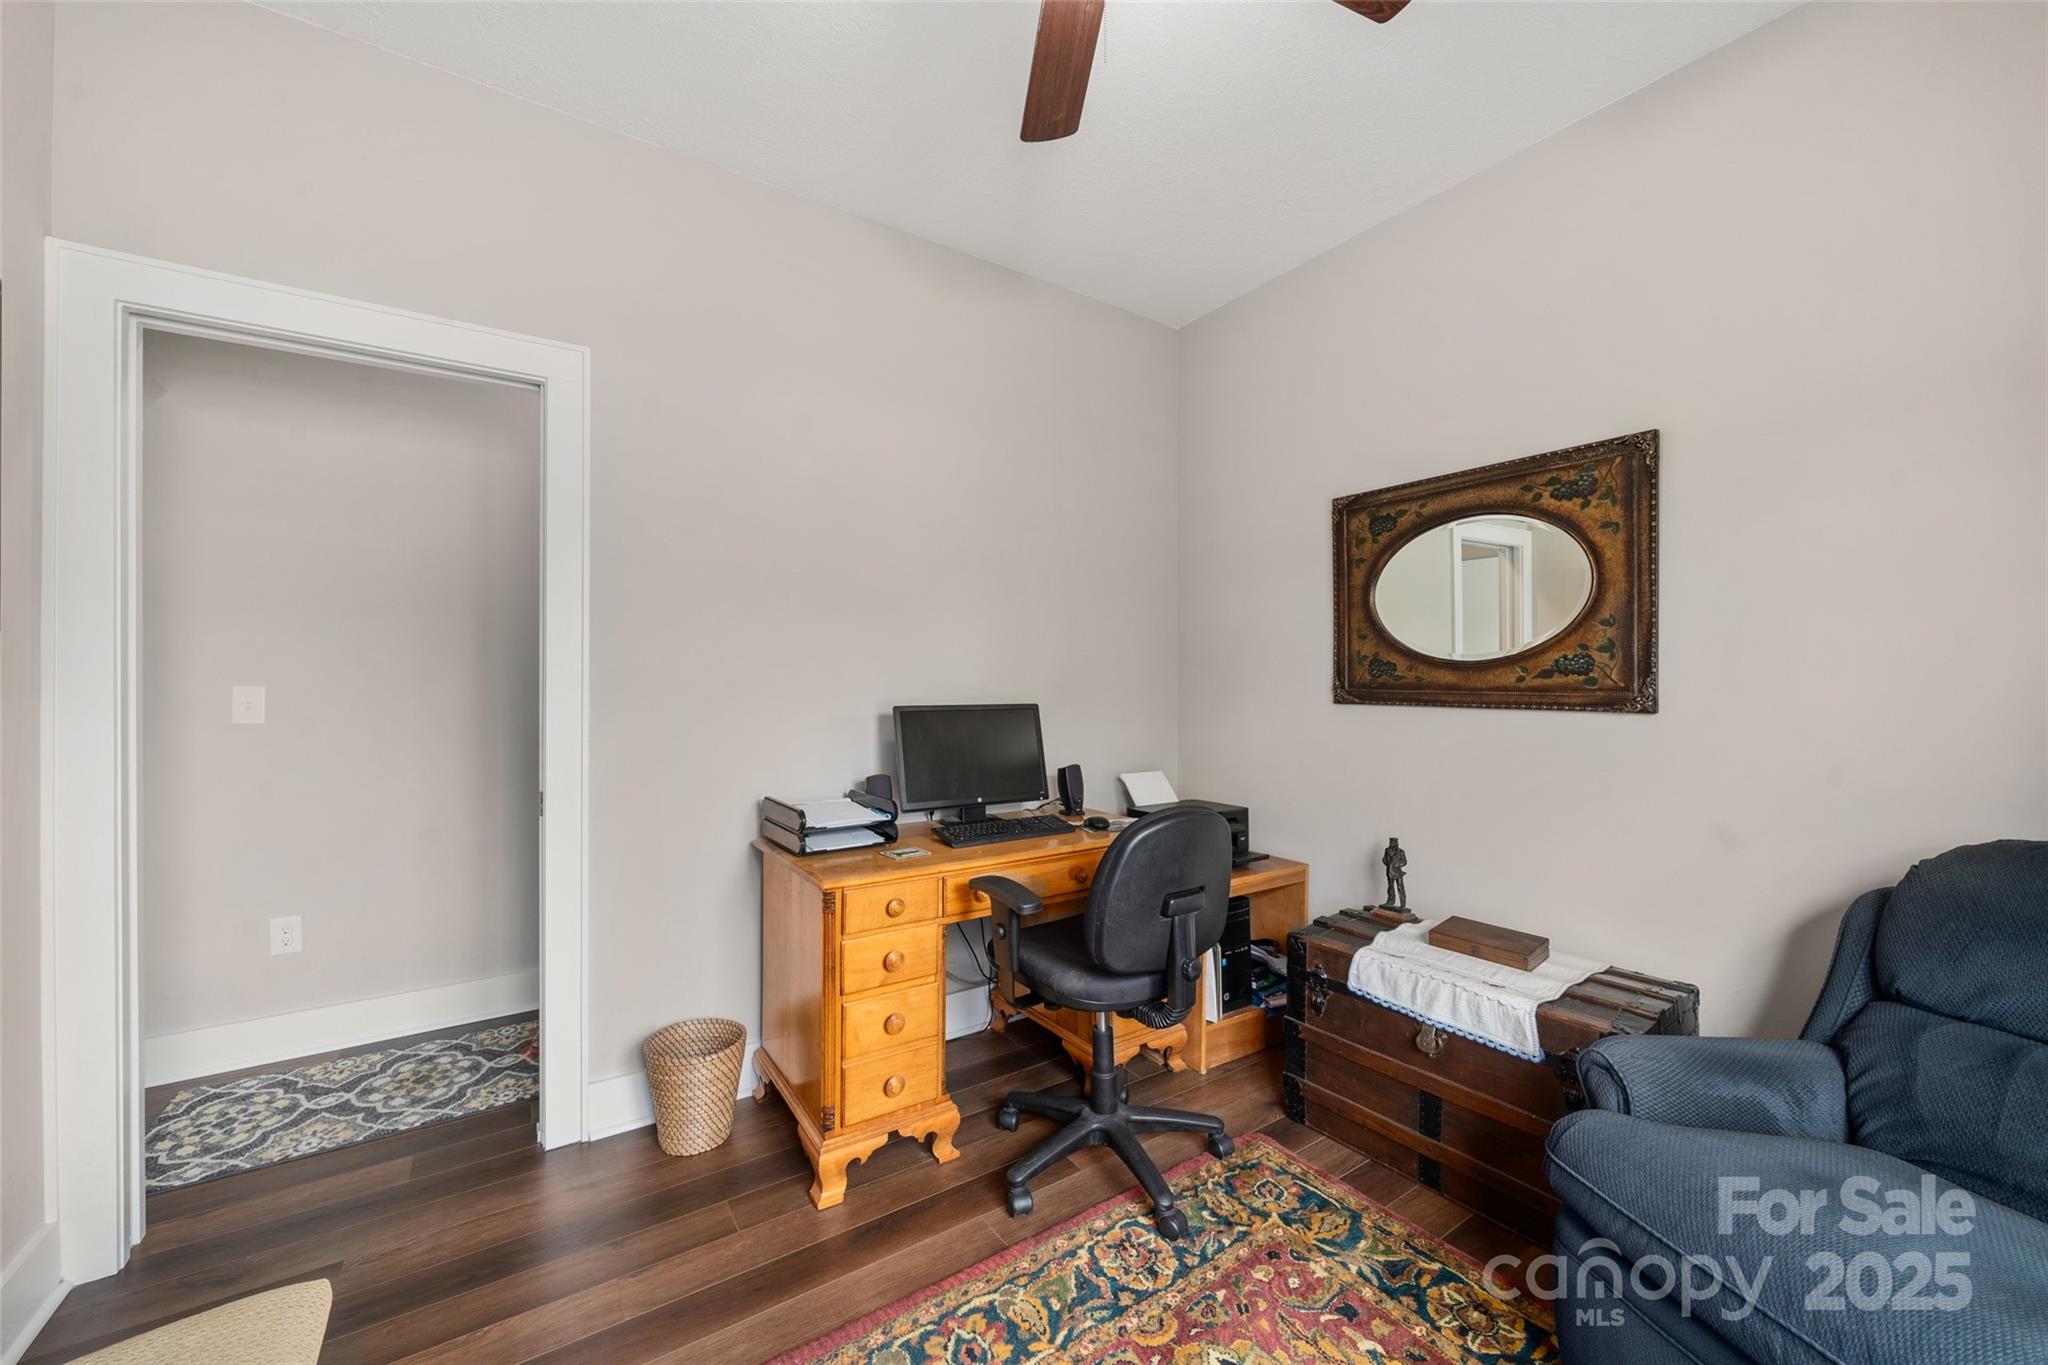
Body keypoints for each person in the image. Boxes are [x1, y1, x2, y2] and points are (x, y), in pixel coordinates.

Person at [1382, 838, 1408, 910]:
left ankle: (1403, 904)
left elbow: (1404, 862)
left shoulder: (1401, 852)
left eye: (1393, 842)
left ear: (1396, 843)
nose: (1391, 843)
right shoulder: (1387, 850)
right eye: (1391, 842)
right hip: (1390, 871)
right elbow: (1384, 858)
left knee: (1400, 887)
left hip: (1397, 872)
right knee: (1390, 887)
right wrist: (1387, 863)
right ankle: (1390, 901)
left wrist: (1396, 864)